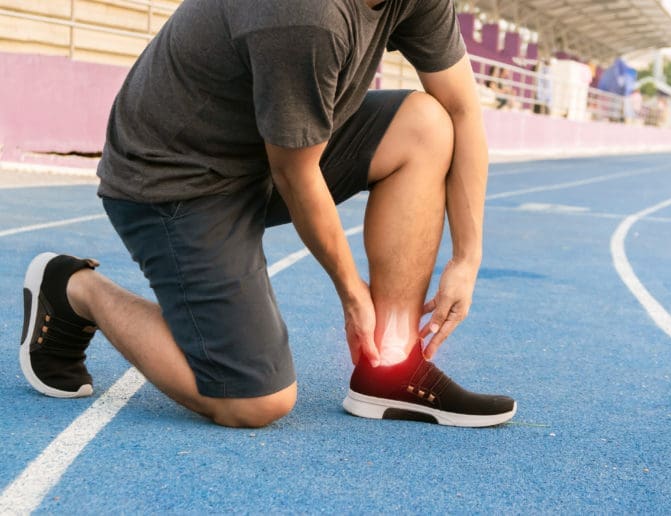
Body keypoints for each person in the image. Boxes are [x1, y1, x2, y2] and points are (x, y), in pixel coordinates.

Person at [18, 0, 516, 428]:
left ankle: (391, 368)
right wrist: (353, 295)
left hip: (262, 148)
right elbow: (295, 174)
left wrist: (467, 259)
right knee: (255, 402)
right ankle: (76, 290)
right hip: (176, 177)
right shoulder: (306, 16)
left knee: (426, 125)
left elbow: (462, 109)